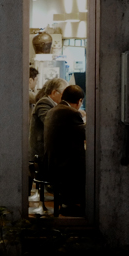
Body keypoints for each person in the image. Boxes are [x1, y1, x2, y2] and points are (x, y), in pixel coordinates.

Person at [43, 85, 86, 216]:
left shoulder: (53, 110)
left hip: (52, 162)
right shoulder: (71, 113)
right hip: (65, 165)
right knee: (93, 166)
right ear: (79, 101)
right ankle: (78, 206)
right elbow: (85, 133)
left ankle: (71, 204)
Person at [29, 77, 68, 164]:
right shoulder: (44, 102)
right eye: (64, 94)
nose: (65, 98)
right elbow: (51, 123)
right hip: (41, 153)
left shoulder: (51, 103)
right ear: (54, 92)